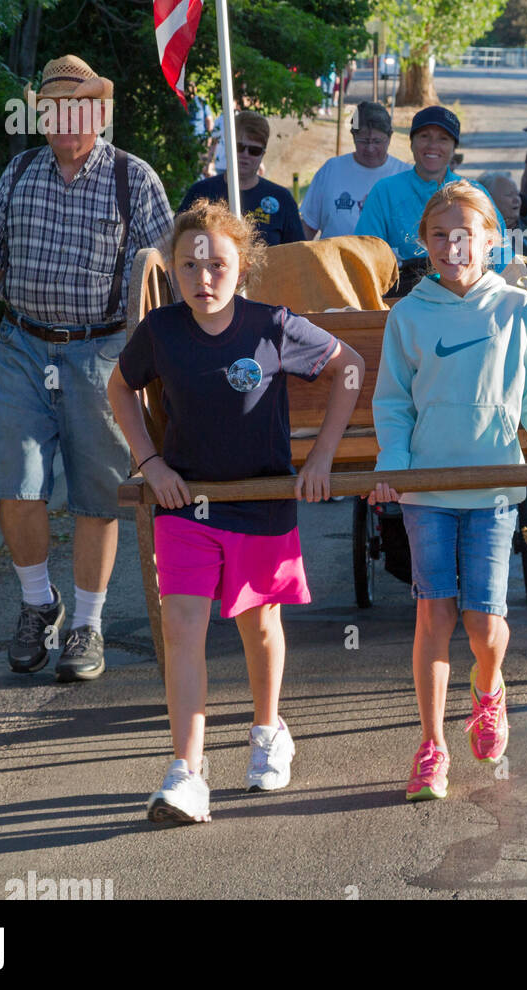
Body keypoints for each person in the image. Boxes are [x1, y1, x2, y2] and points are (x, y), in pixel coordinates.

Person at [109, 199, 362, 824]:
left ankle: (269, 730)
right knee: (182, 629)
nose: (204, 279)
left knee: (258, 625)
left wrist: (322, 457)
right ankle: (187, 774)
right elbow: (119, 387)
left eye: (217, 265)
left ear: (241, 266)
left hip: (261, 501)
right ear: (172, 269)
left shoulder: (272, 324)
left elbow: (349, 367)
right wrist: (150, 463)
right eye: (190, 265)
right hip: (186, 503)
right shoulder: (161, 331)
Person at [0, 56, 174, 681]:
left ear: (98, 113)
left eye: (77, 109)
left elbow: (162, 280)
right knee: (15, 484)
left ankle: (86, 624)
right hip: (24, 346)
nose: (64, 122)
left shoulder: (135, 179)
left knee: (96, 495)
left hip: (100, 352)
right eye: (52, 111)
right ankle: (35, 605)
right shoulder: (21, 170)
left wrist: (165, 360)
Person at [367, 181, 527, 801]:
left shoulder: (518, 309)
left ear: (491, 238)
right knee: (434, 613)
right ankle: (431, 746)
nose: (452, 246)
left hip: (493, 489)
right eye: (439, 235)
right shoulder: (409, 314)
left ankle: (489, 691)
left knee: (484, 625)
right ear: (425, 242)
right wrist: (396, 466)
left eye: (465, 234)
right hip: (426, 492)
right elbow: (392, 404)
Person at [355, 105, 513, 296]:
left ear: (454, 148)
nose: (432, 145)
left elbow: (501, 254)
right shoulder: (384, 191)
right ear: (411, 143)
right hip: (402, 300)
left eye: (443, 139)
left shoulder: (475, 192)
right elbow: (364, 254)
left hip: (468, 299)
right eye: (424, 136)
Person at [179, 111, 304, 247]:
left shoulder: (282, 199)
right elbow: (177, 244)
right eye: (239, 147)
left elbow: (298, 256)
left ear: (262, 154)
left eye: (254, 150)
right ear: (228, 146)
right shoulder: (201, 192)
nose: (245, 154)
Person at [300, 101, 411, 239]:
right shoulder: (331, 169)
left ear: (389, 138)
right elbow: (308, 227)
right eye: (363, 141)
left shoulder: (406, 176)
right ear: (353, 137)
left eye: (377, 141)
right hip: (335, 259)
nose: (370, 149)